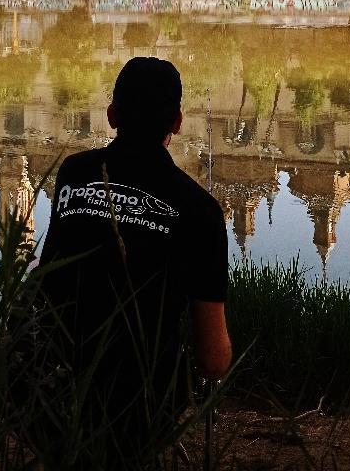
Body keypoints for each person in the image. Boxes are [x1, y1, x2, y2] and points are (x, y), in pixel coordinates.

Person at [28, 56, 231, 465]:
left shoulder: (73, 173)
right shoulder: (200, 209)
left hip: (51, 388)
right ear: (177, 123)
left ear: (111, 115)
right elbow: (213, 361)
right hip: (141, 406)